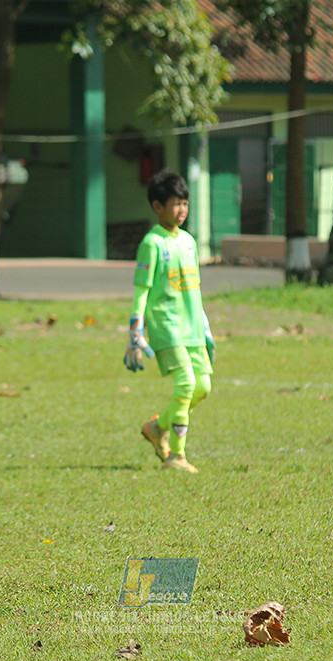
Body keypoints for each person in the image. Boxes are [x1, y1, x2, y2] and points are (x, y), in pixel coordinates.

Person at [123, 169, 215, 473]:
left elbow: (194, 288)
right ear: (157, 206)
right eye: (176, 203)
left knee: (202, 386)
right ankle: (177, 456)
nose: (182, 210)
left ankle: (156, 427)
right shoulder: (152, 243)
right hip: (166, 326)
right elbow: (142, 290)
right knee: (186, 383)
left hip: (192, 328)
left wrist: (204, 324)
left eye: (185, 203)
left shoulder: (189, 242)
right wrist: (135, 330)